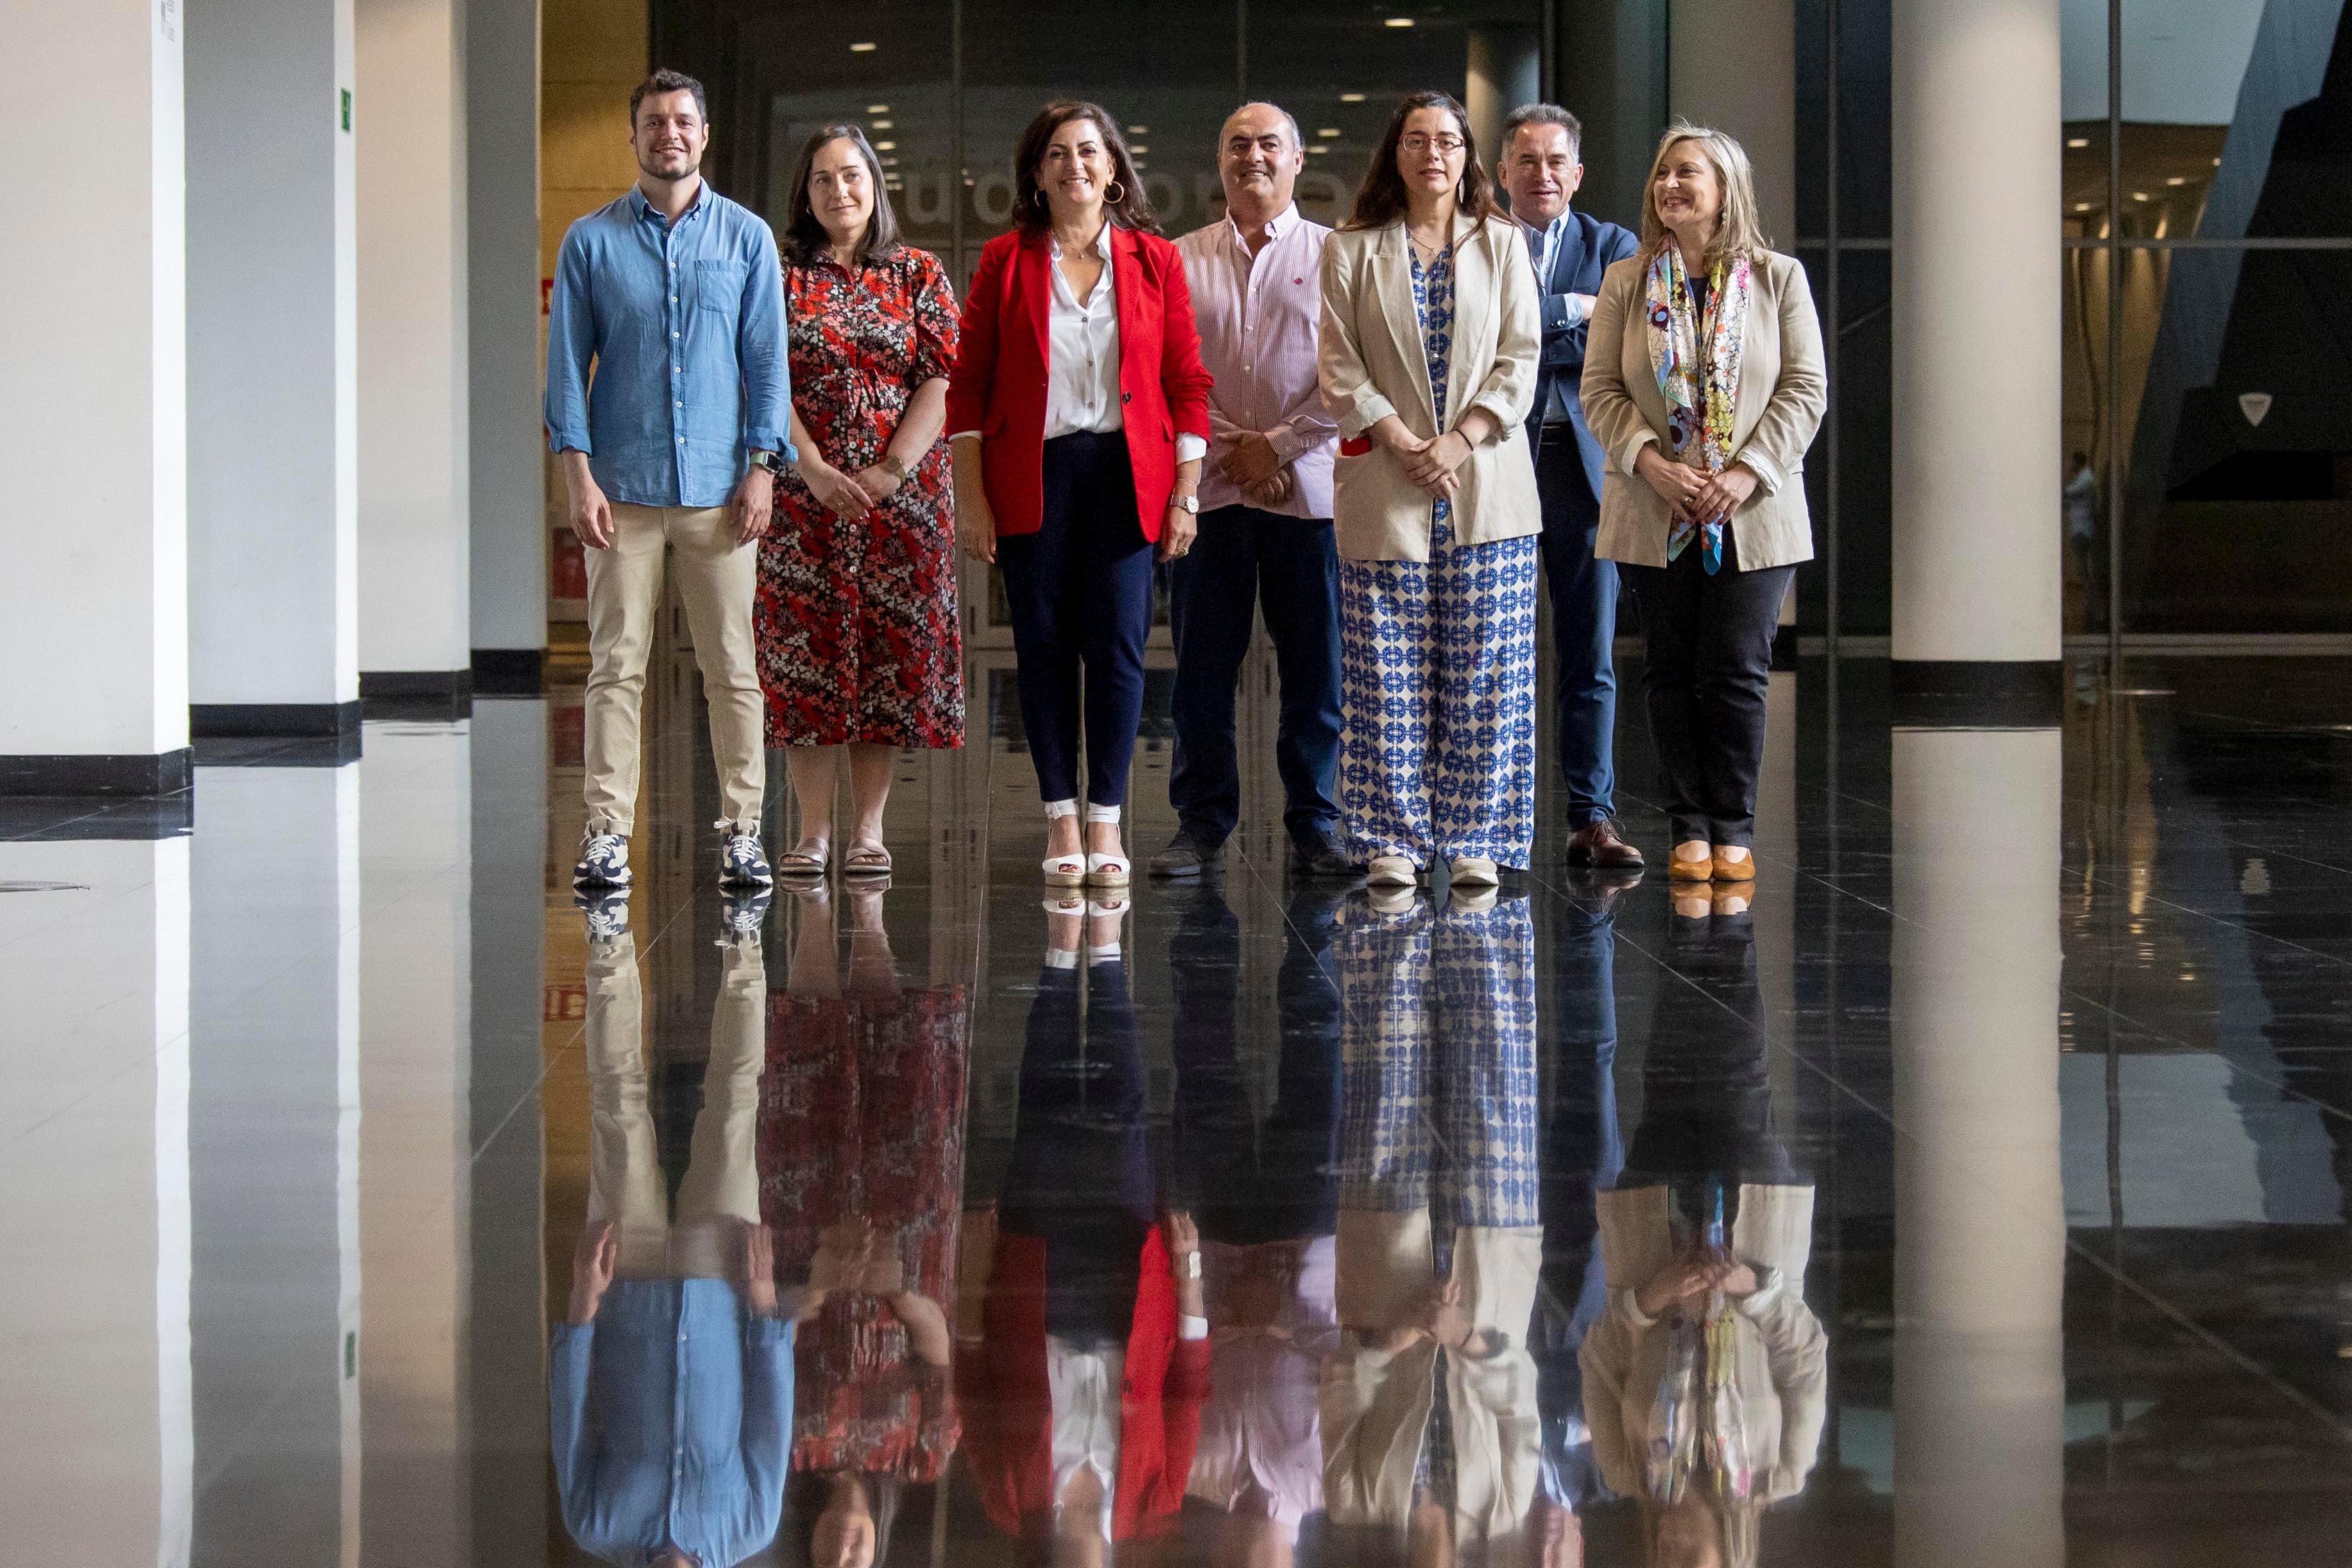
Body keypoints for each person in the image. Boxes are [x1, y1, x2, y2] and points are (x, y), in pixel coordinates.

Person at [949, 101, 1216, 889]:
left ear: (1113, 168)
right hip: (1033, 475)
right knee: (1040, 648)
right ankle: (1058, 813)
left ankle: (1106, 816)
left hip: (1128, 476)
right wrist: (970, 497)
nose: (1075, 166)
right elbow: (967, 388)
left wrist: (1187, 496)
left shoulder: (1154, 260)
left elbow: (1186, 383)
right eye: (1058, 154)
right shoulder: (1005, 260)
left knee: (1121, 648)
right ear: (1036, 172)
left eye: (1089, 152)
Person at [548, 68, 790, 892]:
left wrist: (762, 469)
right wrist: (578, 481)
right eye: (654, 121)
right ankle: (607, 833)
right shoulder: (589, 241)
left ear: (705, 132)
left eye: (683, 119)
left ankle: (742, 831)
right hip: (621, 489)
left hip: (723, 495)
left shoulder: (748, 239)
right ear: (635, 135)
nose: (669, 134)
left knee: (732, 665)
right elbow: (564, 373)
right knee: (616, 665)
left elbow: (766, 364)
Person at [1581, 123, 1826, 886]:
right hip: (1653, 505)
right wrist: (1652, 464)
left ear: (1726, 188)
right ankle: (1688, 823)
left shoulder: (1777, 277)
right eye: (1661, 173)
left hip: (1753, 510)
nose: (1669, 185)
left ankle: (1733, 825)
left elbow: (1804, 389)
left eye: (1686, 172)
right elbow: (1600, 391)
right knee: (1668, 669)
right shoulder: (1627, 281)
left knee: (1736, 670)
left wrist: (1745, 473)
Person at [1319, 91, 1545, 893]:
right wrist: (1398, 437)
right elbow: (1338, 365)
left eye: (1447, 140)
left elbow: (1521, 358)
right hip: (1387, 480)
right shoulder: (1350, 248)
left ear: (1467, 153)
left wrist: (1460, 438)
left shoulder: (1504, 242)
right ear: (1396, 153)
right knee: (1385, 673)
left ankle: (1477, 836)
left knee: (1487, 671)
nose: (1433, 154)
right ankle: (1391, 838)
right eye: (1416, 140)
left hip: (1486, 485)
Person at [954, 904, 1211, 1565]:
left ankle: (1062, 952)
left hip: (1034, 1280)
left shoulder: (1009, 1502)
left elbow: (971, 1378)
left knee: (1041, 1100)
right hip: (1129, 1284)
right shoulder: (1152, 1506)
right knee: (1123, 1105)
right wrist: (1188, 1276)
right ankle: (1106, 952)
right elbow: (1187, 1390)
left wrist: (975, 1272)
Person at [1578, 897, 1826, 1567]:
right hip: (1752, 1237)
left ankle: (1692, 913)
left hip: (1651, 1232)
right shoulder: (1778, 1474)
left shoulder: (1627, 1473)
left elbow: (1599, 1364)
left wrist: (1649, 1300)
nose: (1672, 1547)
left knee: (1670, 1063)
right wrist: (1754, 1289)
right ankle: (1734, 907)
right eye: (1689, 1563)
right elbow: (1804, 1361)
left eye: (1661, 1562)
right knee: (1738, 1070)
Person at [551, 897, 793, 1568]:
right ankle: (744, 932)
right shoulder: (750, 1526)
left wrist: (583, 1300)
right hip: (723, 1281)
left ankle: (607, 939)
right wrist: (766, 1302)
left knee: (617, 1099)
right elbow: (771, 1416)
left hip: (623, 1283)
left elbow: (570, 1409)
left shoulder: (595, 1525)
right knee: (735, 1101)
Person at [757, 123, 963, 881]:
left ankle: (868, 830)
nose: (838, 191)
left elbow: (942, 377)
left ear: (874, 185)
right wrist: (808, 465)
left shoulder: (917, 272)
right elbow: (762, 375)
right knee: (804, 659)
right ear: (804, 196)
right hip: (800, 497)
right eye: (822, 180)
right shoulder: (779, 274)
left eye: (851, 176)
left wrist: (890, 469)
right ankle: (812, 832)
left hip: (900, 501)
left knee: (884, 661)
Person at [1151, 103, 1352, 882]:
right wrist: (1235, 446)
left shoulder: (1337, 256)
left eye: (1270, 144)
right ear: (1220, 161)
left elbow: (1353, 375)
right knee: (1202, 669)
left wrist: (1279, 443)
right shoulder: (1177, 258)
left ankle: (1316, 823)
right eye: (1238, 144)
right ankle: (1200, 823)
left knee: (1317, 670)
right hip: (1214, 494)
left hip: (1310, 495)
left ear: (1298, 160)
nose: (1254, 156)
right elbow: (1166, 371)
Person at [759, 879, 967, 1567]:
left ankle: (841, 915)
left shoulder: (783, 1450)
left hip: (804, 1244)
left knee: (813, 1067)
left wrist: (813, 1289)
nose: (842, 1548)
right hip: (904, 1259)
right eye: (856, 1563)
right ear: (876, 1551)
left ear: (811, 1544)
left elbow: (758, 1350)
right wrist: (898, 1288)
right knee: (904, 1081)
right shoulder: (923, 1454)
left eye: (827, 1559)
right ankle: (876, 920)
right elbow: (937, 1346)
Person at [1497, 103, 1645, 871]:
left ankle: (1592, 816)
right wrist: (1566, 313)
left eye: (1556, 161)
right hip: (1499, 465)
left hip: (1583, 470)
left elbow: (1617, 340)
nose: (1542, 173)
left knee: (1588, 654)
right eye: (1527, 160)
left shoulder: (1614, 245)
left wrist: (1531, 329)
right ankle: (1498, 821)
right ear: (1502, 171)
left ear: (1576, 174)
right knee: (1497, 652)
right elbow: (1482, 339)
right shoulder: (1478, 242)